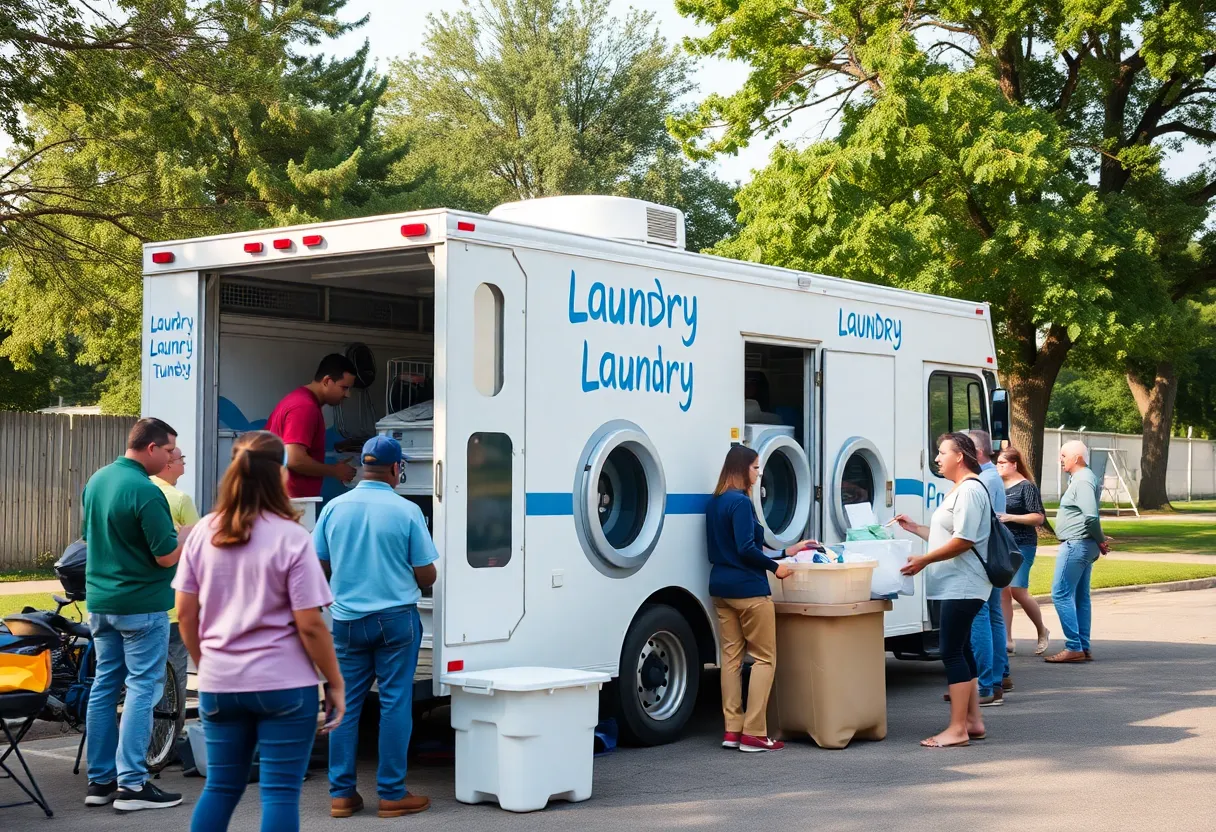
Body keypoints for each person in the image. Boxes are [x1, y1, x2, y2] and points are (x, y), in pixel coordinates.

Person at [174, 431, 345, 832]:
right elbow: (310, 625)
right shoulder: (292, 537)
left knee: (220, 788)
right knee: (280, 793)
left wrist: (208, 665)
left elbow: (185, 613)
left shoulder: (203, 531)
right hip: (284, 686)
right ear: (280, 475)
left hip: (220, 683)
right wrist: (334, 682)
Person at [313, 435, 438, 818]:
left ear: (365, 466)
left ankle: (342, 795)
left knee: (345, 705)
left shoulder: (334, 508)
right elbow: (427, 574)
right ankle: (391, 793)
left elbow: (319, 565)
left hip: (347, 622)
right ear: (395, 468)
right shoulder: (406, 512)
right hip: (395, 621)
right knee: (395, 702)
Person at [81, 417, 193, 811]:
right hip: (142, 606)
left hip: (101, 603)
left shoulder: (97, 480)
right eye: (167, 451)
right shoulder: (146, 491)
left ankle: (100, 782)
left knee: (104, 687)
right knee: (144, 689)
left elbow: (90, 537)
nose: (168, 459)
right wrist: (187, 537)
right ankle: (132, 784)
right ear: (150, 448)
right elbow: (165, 556)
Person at [705, 445, 814, 753]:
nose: (759, 473)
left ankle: (732, 730)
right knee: (764, 658)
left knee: (730, 660)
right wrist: (776, 567)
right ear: (742, 470)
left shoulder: (715, 503)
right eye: (756, 468)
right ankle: (754, 732)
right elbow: (746, 549)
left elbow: (741, 547)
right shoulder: (740, 503)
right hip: (749, 591)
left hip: (721, 589)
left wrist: (786, 552)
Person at [896, 432, 993, 748]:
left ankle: (957, 729)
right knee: (962, 649)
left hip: (962, 585)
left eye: (941, 452)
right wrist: (915, 529)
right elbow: (947, 536)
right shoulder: (960, 490)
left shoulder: (969, 491)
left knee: (951, 652)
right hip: (954, 585)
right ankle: (973, 721)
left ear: (959, 457)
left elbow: (964, 541)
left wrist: (923, 560)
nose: (937, 458)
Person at [151, 447, 200, 744]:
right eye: (182, 458)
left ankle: (145, 738)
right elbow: (197, 547)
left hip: (140, 601)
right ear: (168, 464)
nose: (184, 463)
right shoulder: (179, 499)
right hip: (171, 602)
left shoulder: (141, 491)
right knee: (174, 673)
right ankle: (171, 737)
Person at [266, 353, 359, 499]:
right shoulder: (304, 407)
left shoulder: (299, 401)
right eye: (344, 388)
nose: (348, 395)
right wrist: (334, 471)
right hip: (290, 502)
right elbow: (294, 458)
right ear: (327, 381)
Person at [1046, 440, 1105, 663]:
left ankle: (1074, 646)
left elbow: (1090, 516)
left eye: (1063, 456)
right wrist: (1098, 540)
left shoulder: (1082, 480)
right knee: (1080, 597)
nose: (1060, 460)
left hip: (1077, 544)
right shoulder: (1083, 478)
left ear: (1077, 458)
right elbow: (1089, 516)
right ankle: (1083, 645)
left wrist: (1099, 540)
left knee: (1060, 593)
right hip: (1083, 543)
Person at [967, 429, 1009, 705]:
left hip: (982, 558)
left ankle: (986, 685)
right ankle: (996, 677)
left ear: (977, 452)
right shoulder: (992, 476)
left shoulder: (983, 480)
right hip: (992, 556)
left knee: (980, 616)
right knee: (993, 614)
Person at [996, 446, 1050, 656]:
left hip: (1023, 544)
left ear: (1014, 464)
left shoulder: (1026, 487)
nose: (998, 466)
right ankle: (1007, 640)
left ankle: (1042, 630)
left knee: (1018, 589)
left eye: (1002, 463)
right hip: (1003, 545)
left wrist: (1011, 517)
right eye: (997, 463)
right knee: (1003, 592)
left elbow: (1038, 517)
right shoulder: (998, 486)